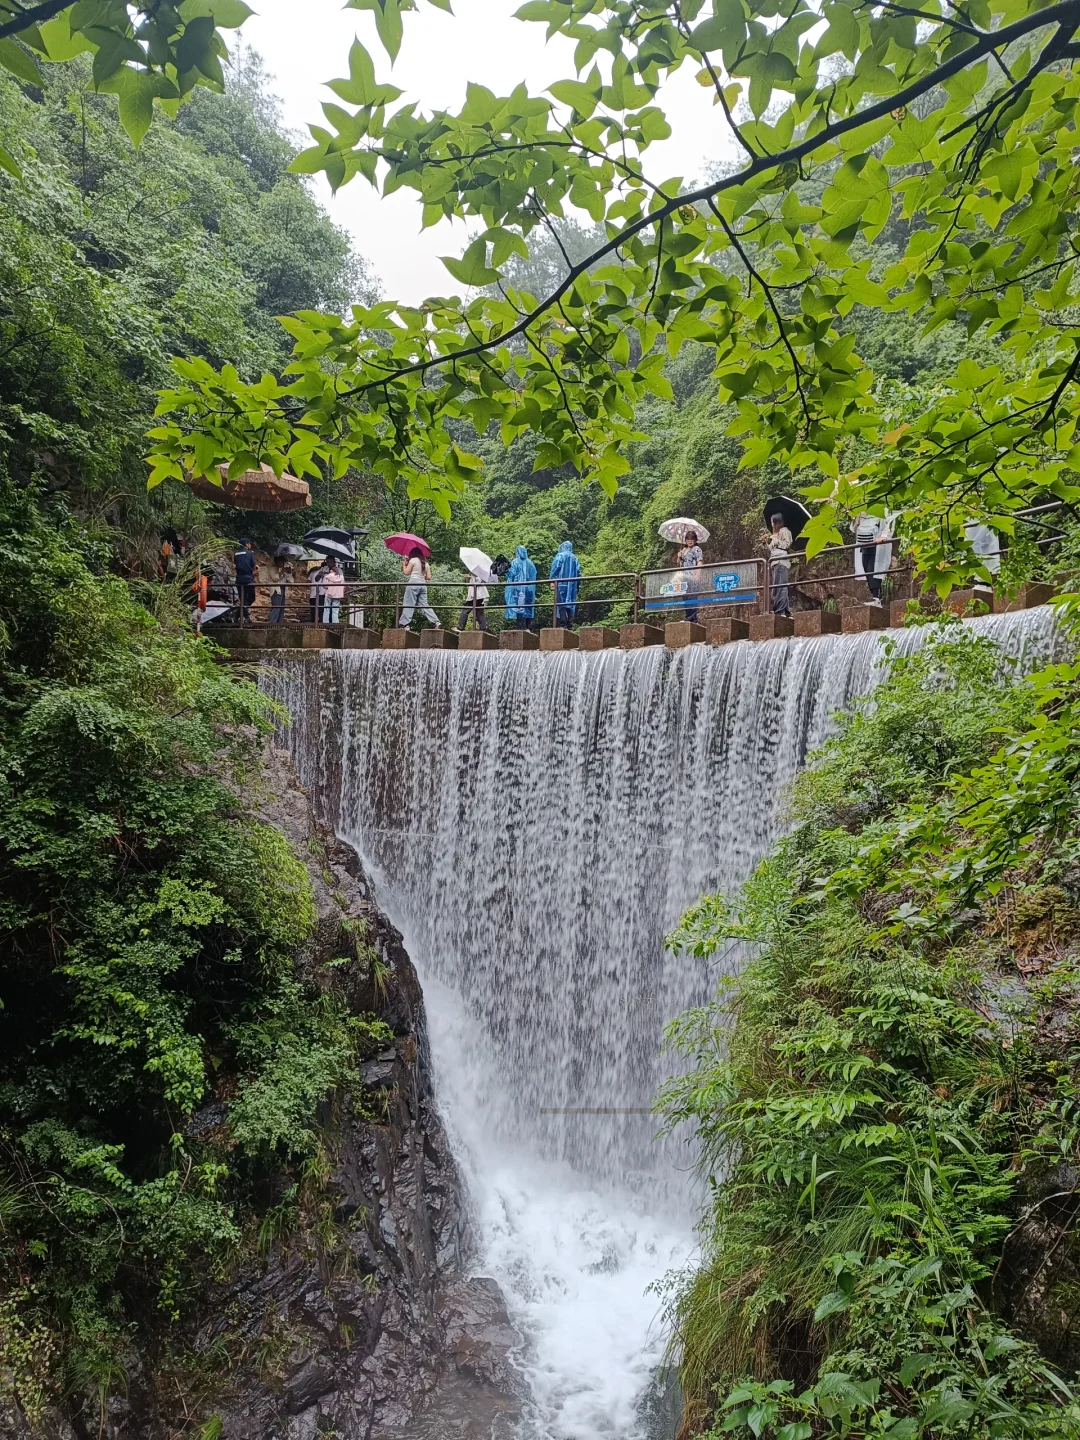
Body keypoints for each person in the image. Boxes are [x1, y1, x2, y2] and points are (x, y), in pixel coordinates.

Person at [852, 513, 893, 607]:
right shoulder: (861, 512)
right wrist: (854, 519)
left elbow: (888, 522)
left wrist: (884, 536)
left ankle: (876, 599)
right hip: (864, 544)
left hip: (877, 545)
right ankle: (877, 597)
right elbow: (855, 528)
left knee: (873, 570)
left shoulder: (882, 510)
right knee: (866, 568)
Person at [398, 546, 440, 628]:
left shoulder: (413, 560)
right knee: (424, 604)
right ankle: (436, 622)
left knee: (409, 603)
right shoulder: (425, 563)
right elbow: (429, 577)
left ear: (413, 553)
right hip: (423, 585)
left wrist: (404, 564)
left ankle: (404, 624)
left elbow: (406, 572)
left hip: (413, 583)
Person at [765, 514, 793, 616]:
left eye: (773, 522)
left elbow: (787, 544)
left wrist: (776, 540)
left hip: (781, 561)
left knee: (780, 586)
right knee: (778, 587)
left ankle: (780, 611)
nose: (772, 524)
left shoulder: (785, 531)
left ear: (778, 522)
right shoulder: (776, 534)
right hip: (775, 561)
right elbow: (772, 549)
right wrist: (766, 542)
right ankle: (785, 611)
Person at [549, 540, 582, 627]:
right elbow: (579, 572)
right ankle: (570, 625)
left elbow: (555, 569)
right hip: (572, 586)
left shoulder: (560, 556)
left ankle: (563, 624)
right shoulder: (575, 558)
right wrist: (578, 585)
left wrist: (551, 580)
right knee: (571, 604)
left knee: (561, 604)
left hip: (561, 584)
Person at [504, 545, 537, 630]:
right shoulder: (530, 563)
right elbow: (534, 575)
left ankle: (521, 627)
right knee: (528, 608)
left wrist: (505, 570)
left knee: (520, 608)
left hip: (518, 590)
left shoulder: (515, 562)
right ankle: (528, 626)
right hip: (529, 590)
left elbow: (511, 575)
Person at [677, 530, 704, 623]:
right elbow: (678, 563)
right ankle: (688, 616)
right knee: (685, 597)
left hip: (692, 576)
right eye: (688, 539)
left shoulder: (696, 549)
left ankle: (692, 618)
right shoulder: (683, 550)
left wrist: (697, 575)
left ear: (695, 540)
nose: (690, 541)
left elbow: (700, 562)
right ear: (685, 540)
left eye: (692, 539)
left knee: (692, 597)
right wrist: (679, 556)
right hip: (684, 577)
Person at [458, 558, 492, 632]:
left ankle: (460, 627)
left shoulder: (477, 569)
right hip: (479, 595)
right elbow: (474, 577)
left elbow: (478, 580)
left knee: (465, 610)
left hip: (476, 594)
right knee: (479, 612)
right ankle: (483, 629)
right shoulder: (480, 569)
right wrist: (468, 575)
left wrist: (472, 576)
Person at [234, 538, 257, 623]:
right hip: (248, 578)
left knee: (242, 599)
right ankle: (246, 617)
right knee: (251, 597)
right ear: (247, 544)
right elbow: (253, 566)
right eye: (249, 544)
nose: (250, 545)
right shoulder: (250, 553)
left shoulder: (236, 554)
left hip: (239, 579)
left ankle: (237, 615)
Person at [322, 557, 345, 625]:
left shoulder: (328, 576)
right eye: (328, 562)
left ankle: (325, 624)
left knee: (326, 609)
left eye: (330, 562)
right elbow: (343, 583)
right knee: (335, 610)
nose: (329, 563)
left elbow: (325, 586)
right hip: (337, 594)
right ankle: (335, 624)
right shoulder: (340, 575)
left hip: (328, 594)